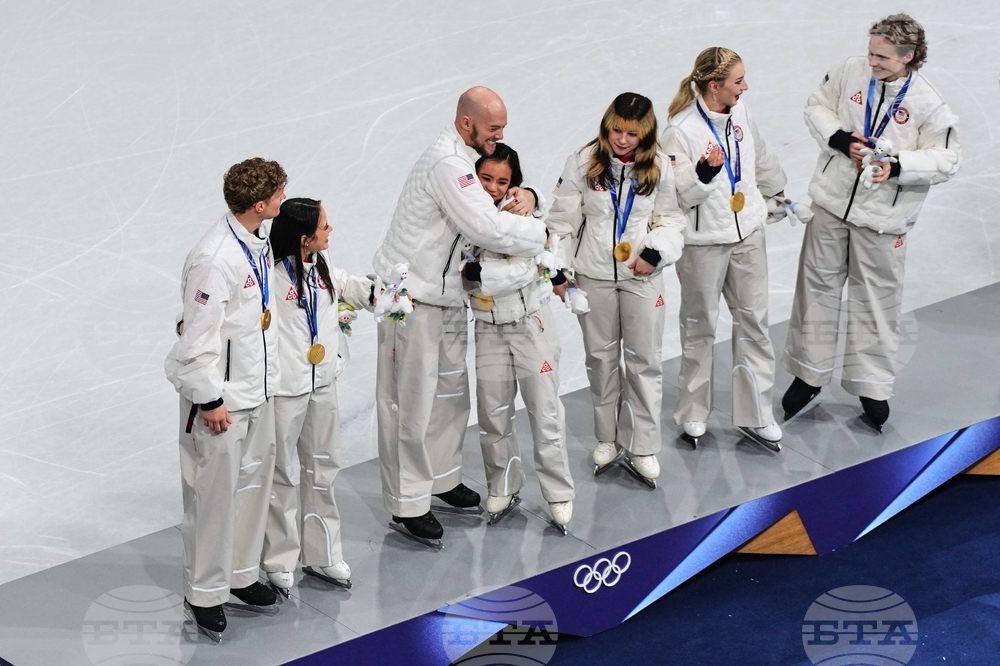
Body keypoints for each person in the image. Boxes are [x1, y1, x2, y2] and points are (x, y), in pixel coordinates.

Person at [371, 87, 548, 547]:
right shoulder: (448, 164)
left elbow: (498, 195)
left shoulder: (467, 158)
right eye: (494, 128)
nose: (501, 135)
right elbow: (486, 226)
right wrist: (540, 232)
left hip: (447, 295)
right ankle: (408, 503)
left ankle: (443, 479)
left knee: (450, 393)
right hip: (409, 297)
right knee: (410, 403)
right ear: (467, 123)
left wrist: (530, 194)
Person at [780, 14, 961, 430]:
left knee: (876, 303)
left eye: (882, 56)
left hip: (882, 219)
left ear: (908, 57)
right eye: (871, 51)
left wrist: (897, 166)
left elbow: (948, 159)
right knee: (816, 291)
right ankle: (808, 374)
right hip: (831, 203)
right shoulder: (850, 70)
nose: (872, 61)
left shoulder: (929, 105)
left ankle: (872, 385)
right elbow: (817, 107)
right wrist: (842, 140)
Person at [164, 158, 286, 641]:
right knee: (212, 499)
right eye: (279, 193)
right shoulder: (215, 259)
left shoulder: (256, 240)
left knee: (253, 487)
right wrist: (210, 399)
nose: (283, 198)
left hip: (255, 391)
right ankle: (205, 593)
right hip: (220, 404)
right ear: (261, 205)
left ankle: (240, 575)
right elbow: (192, 342)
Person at [547, 92, 685, 488]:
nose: (622, 140)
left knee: (644, 360)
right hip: (593, 276)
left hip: (642, 277)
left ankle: (642, 445)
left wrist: (655, 253)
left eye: (631, 133)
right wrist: (560, 272)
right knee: (601, 359)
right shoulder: (584, 162)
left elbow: (671, 219)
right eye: (616, 131)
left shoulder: (659, 165)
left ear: (646, 133)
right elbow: (562, 221)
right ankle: (607, 437)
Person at [660, 48, 788, 451]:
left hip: (748, 232)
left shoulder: (741, 113)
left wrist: (777, 188)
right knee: (699, 327)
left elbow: (760, 154)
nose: (745, 87)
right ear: (714, 86)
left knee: (754, 323)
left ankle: (756, 412)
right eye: (738, 81)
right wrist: (706, 173)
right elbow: (679, 196)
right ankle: (694, 411)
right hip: (703, 245)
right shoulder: (679, 131)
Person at [260, 198, 374, 595]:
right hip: (286, 391)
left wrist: (380, 294)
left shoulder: (320, 266)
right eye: (325, 227)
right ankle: (278, 558)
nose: (332, 230)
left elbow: (347, 285)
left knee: (323, 468)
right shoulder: (271, 277)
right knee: (282, 473)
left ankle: (323, 553)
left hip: (323, 382)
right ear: (305, 239)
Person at [462, 143, 575, 531]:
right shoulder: (463, 213)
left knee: (544, 412)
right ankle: (504, 485)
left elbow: (528, 270)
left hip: (531, 326)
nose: (493, 187)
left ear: (516, 185)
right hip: (488, 328)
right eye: (486, 178)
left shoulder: (524, 214)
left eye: (503, 181)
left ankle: (559, 492)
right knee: (493, 414)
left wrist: (480, 278)